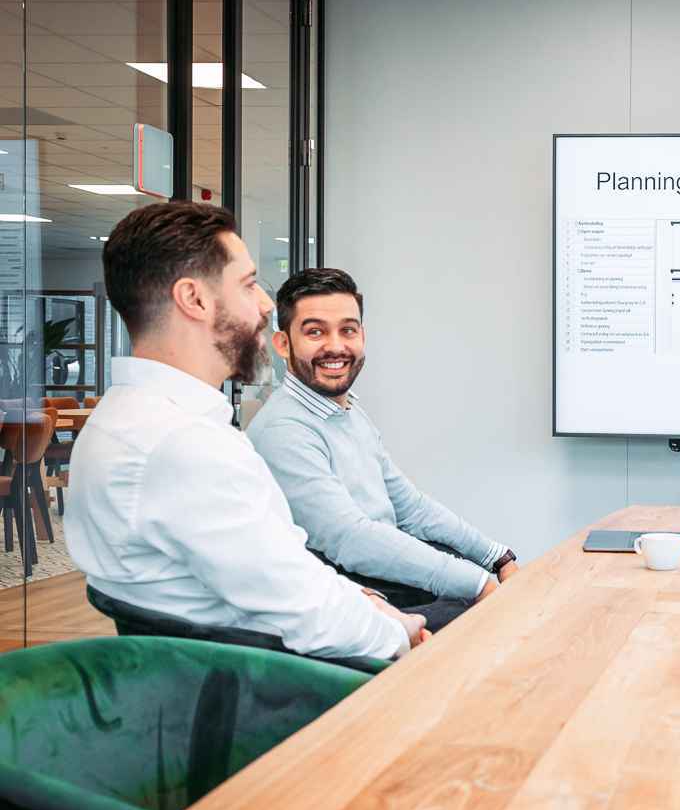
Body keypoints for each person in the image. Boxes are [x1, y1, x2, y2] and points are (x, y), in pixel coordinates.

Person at [67, 202, 426, 661]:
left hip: (220, 679)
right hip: (285, 686)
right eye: (249, 284)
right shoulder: (185, 446)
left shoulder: (120, 422)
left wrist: (362, 600)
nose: (264, 306)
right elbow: (311, 616)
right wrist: (401, 633)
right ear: (194, 299)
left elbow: (281, 573)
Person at [247, 268, 518, 633]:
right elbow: (352, 540)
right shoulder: (285, 430)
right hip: (359, 599)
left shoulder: (348, 412)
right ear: (283, 344)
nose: (336, 346)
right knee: (492, 621)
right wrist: (479, 584)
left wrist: (497, 557)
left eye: (348, 330)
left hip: (390, 581)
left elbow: (410, 507)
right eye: (315, 332)